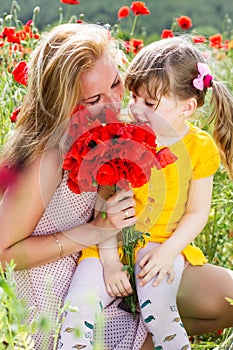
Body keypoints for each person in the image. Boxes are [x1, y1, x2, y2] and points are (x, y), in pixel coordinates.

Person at [59, 36, 233, 350]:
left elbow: (197, 212)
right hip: (104, 248)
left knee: (162, 313)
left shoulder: (199, 148)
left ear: (187, 107)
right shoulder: (122, 137)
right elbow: (105, 205)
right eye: (134, 96)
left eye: (149, 103)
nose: (135, 108)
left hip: (160, 247)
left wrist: (168, 253)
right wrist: (110, 263)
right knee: (76, 311)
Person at [0, 23, 138, 350]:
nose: (114, 103)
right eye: (94, 99)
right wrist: (95, 230)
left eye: (116, 84)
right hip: (45, 313)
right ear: (64, 103)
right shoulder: (48, 155)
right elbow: (3, 254)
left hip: (89, 294)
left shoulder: (101, 136)